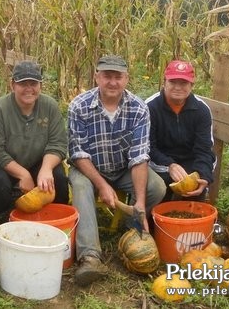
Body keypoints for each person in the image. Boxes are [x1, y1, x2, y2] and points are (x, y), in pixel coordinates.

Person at [67, 55, 166, 286]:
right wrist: (102, 185)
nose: (112, 82)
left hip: (122, 169)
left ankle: (131, 232)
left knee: (156, 187)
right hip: (87, 168)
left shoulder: (139, 109)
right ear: (96, 77)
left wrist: (140, 201)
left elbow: (139, 157)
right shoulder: (79, 106)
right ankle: (90, 256)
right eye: (107, 76)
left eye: (117, 77)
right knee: (81, 187)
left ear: (126, 79)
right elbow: (78, 153)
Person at [0, 61, 69, 232]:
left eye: (33, 83)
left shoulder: (49, 106)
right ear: (13, 84)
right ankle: (0, 227)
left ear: (40, 85)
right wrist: (23, 174)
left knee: (57, 176)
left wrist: (46, 169)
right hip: (5, 167)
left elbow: (58, 143)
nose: (29, 88)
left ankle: (55, 225)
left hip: (38, 163)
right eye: (23, 83)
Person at [145, 60, 215, 201]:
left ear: (191, 85)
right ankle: (150, 221)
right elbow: (148, 147)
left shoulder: (201, 110)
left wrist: (203, 175)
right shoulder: (150, 108)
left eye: (183, 83)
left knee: (196, 190)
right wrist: (170, 165)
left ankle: (191, 219)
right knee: (159, 190)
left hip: (190, 161)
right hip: (159, 163)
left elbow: (204, 149)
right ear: (164, 82)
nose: (178, 87)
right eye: (173, 82)